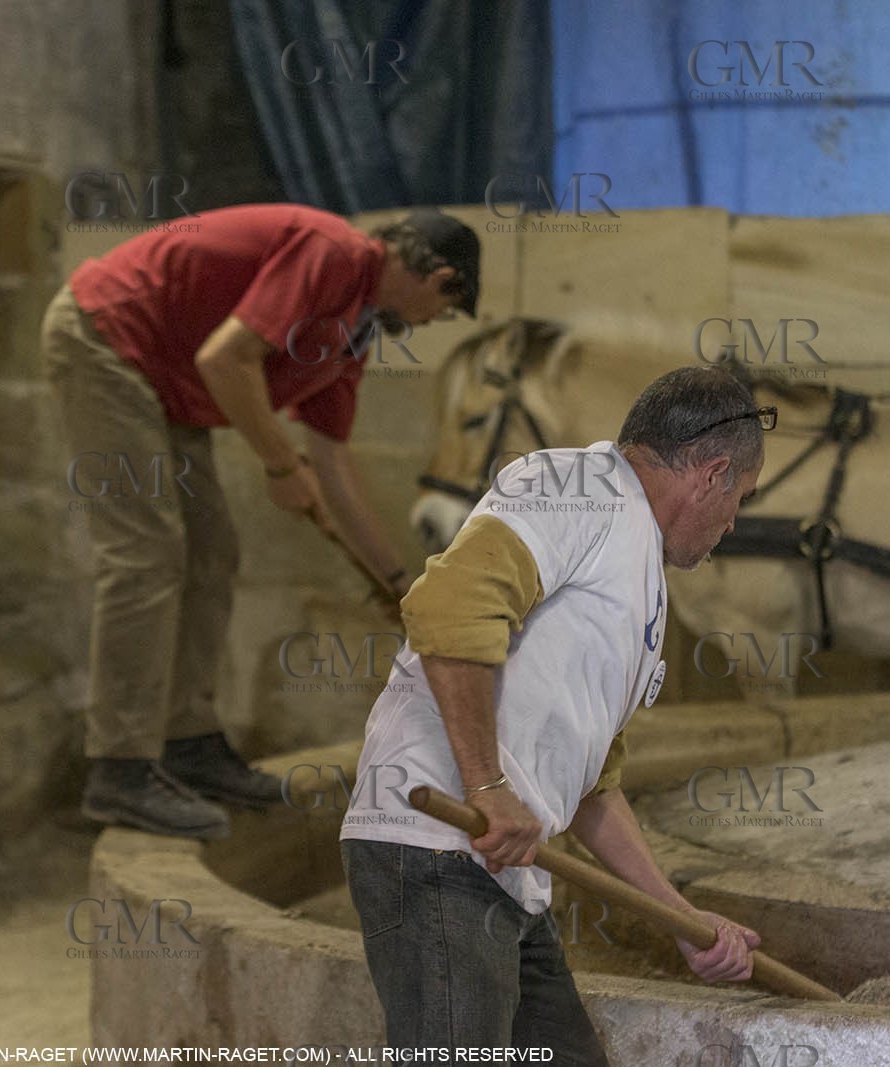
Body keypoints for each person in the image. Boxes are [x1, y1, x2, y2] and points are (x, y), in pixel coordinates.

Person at [341, 366, 777, 1062]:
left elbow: (591, 789)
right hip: (435, 846)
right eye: (740, 500)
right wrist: (486, 784)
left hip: (503, 873)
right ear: (712, 474)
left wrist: (680, 917)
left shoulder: (640, 576)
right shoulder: (576, 486)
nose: (731, 522)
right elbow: (448, 606)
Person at [41, 204, 482, 841]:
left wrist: (395, 583)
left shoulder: (349, 335)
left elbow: (333, 466)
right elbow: (227, 360)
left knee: (212, 553)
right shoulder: (334, 253)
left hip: (165, 372)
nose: (431, 321)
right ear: (438, 278)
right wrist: (280, 464)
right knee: (148, 556)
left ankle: (186, 743)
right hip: (107, 336)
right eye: (442, 309)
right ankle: (120, 768)